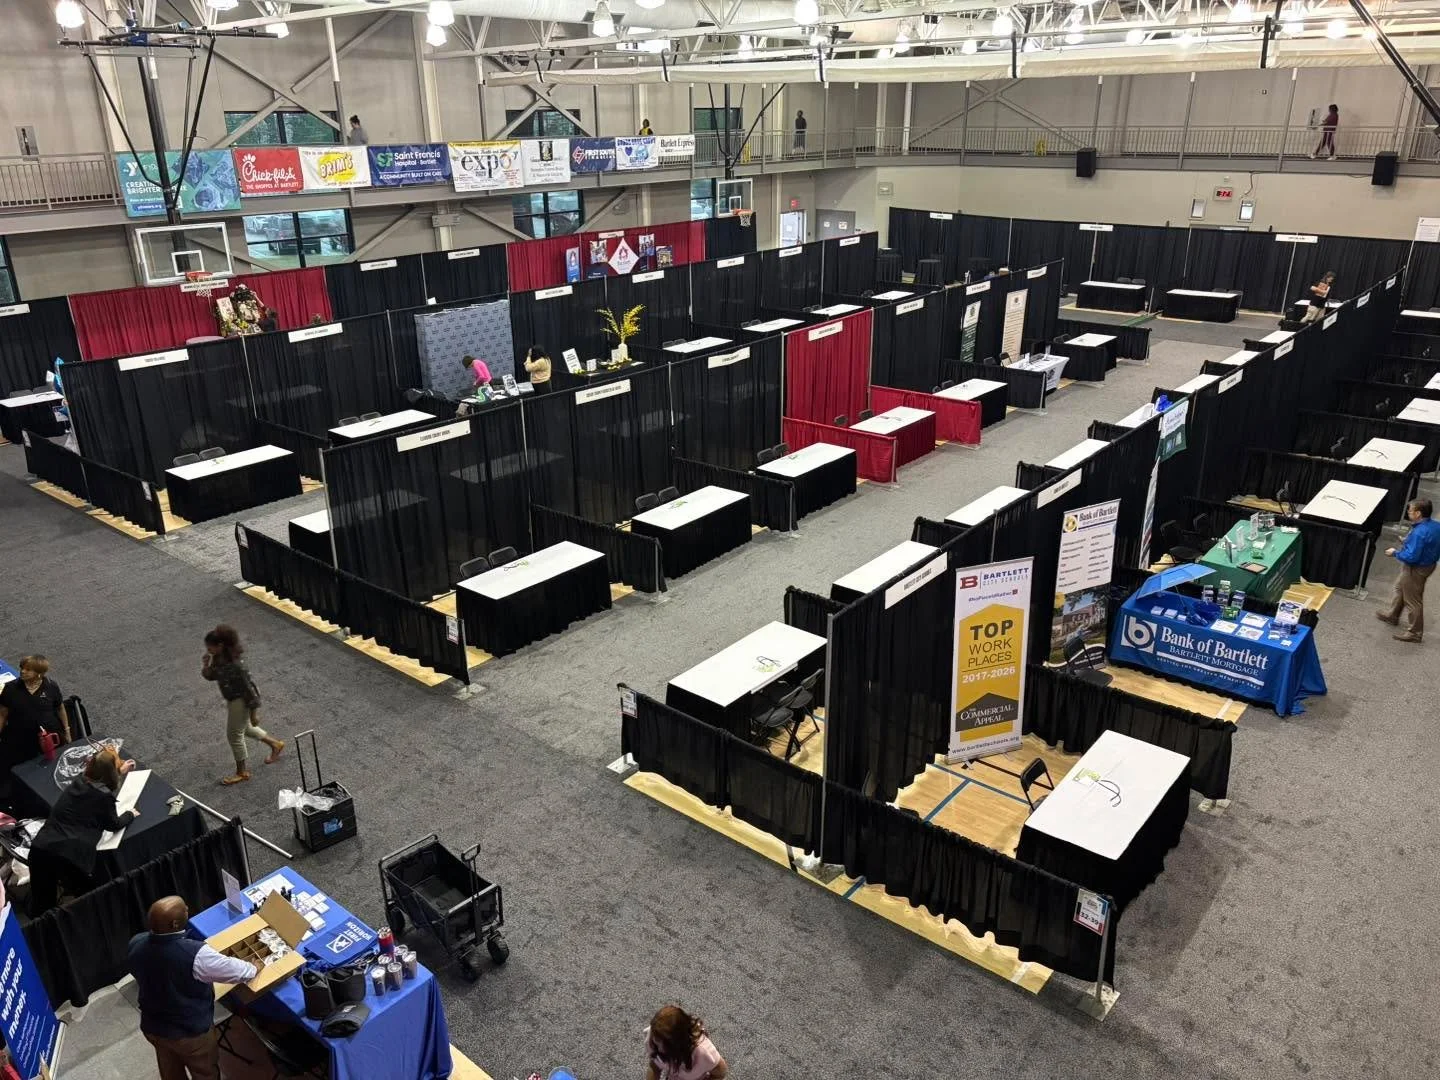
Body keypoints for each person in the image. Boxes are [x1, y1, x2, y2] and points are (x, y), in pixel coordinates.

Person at [129, 895, 259, 1080]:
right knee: (204, 1072)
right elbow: (237, 971)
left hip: (153, 1026)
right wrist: (254, 968)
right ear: (174, 924)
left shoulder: (136, 943)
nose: (188, 909)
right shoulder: (194, 954)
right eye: (185, 909)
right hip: (189, 1033)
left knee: (170, 1071)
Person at [29, 748, 139, 914]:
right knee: (90, 899)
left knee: (42, 906)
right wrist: (130, 814)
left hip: (41, 848)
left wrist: (117, 771)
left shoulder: (77, 782)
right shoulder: (104, 797)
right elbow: (114, 824)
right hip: (69, 858)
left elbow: (100, 778)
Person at [201, 626, 283, 785]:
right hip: (233, 699)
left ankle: (242, 772)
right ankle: (276, 744)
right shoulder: (219, 659)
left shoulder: (236, 666)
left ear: (220, 646)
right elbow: (212, 676)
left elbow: (249, 690)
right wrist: (206, 665)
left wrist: (253, 714)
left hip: (241, 700)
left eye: (210, 647)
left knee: (234, 735)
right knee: (245, 729)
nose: (208, 650)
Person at [0, 656, 70, 808]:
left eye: (28, 669)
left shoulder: (51, 686)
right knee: (22, 770)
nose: (22, 671)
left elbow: (60, 708)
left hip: (48, 738)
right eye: (21, 668)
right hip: (19, 739)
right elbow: (2, 714)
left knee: (50, 767)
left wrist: (67, 731)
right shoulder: (10, 689)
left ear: (39, 673)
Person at [1377, 497, 1440, 643]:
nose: (1408, 512)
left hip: (1415, 569)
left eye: (1410, 510)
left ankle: (1415, 633)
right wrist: (1408, 541)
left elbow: (1411, 557)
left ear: (1418, 513)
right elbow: (1428, 542)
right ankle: (1393, 615)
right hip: (1428, 564)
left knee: (1413, 600)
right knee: (1401, 588)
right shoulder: (1435, 526)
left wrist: (1395, 553)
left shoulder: (1419, 532)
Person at [645, 1006, 728, 1080]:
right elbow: (654, 1066)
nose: (658, 1049)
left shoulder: (703, 1053)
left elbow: (720, 1073)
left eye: (663, 1045)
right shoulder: (655, 1038)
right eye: (656, 1042)